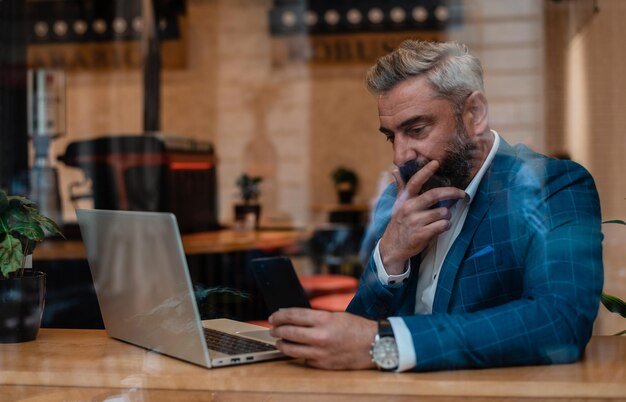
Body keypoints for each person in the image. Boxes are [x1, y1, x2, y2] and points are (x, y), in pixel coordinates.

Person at [268, 40, 603, 372]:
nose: (400, 156)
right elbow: (354, 339)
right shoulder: (398, 199)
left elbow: (560, 321)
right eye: (391, 136)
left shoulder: (553, 187)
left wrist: (387, 342)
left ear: (475, 114)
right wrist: (390, 258)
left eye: (416, 129)